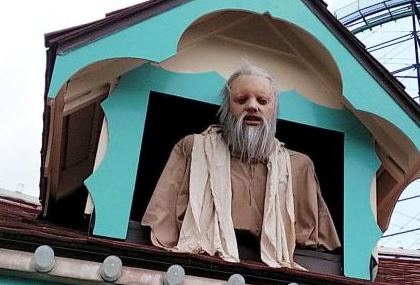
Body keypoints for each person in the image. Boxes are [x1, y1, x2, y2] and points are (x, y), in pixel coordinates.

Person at [142, 64, 340, 268]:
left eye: (262, 101)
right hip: (196, 266)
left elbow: (321, 249)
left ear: (274, 111)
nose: (253, 107)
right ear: (227, 108)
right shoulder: (192, 148)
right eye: (241, 99)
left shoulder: (298, 166)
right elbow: (160, 220)